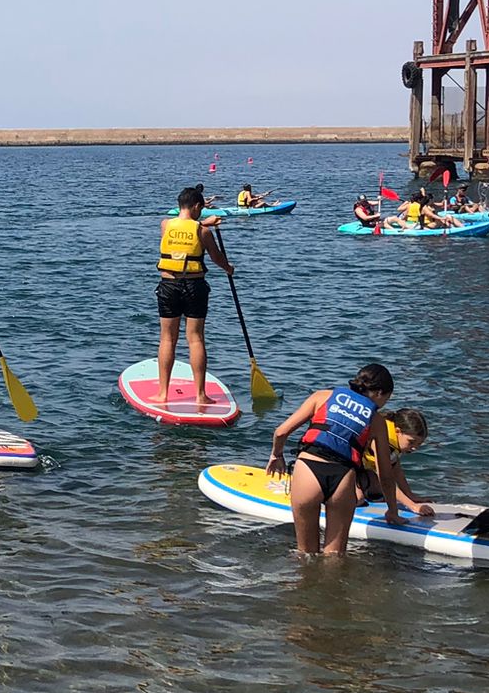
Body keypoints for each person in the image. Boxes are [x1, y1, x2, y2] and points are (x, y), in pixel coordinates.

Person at [264, 364, 426, 556]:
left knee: (305, 555)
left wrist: (277, 455)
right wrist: (392, 511)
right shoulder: (376, 421)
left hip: (309, 470)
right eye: (387, 398)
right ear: (379, 393)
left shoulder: (322, 396)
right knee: (334, 558)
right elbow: (385, 474)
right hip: (342, 477)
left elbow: (281, 432)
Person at [155, 186, 233, 409]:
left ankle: (162, 394)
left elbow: (185, 228)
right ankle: (200, 395)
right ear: (198, 206)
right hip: (194, 286)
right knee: (195, 339)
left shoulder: (165, 225)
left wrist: (202, 223)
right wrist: (229, 268)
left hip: (168, 285)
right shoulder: (203, 232)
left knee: (167, 339)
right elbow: (217, 258)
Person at [359, 407, 434, 514]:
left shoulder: (394, 444)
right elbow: (386, 479)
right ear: (397, 431)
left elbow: (396, 470)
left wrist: (410, 495)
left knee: (376, 487)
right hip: (346, 467)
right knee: (358, 498)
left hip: (364, 471)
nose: (414, 448)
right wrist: (412, 506)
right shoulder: (382, 439)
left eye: (419, 444)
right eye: (411, 442)